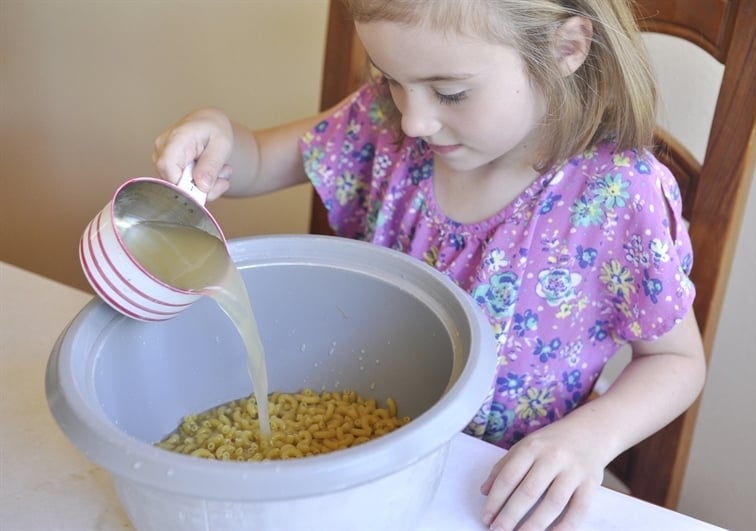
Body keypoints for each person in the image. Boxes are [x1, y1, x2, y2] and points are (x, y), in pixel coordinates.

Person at [153, 1, 706, 529]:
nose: (414, 120)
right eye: (392, 78)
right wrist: (218, 133)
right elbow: (255, 159)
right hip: (364, 464)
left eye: (452, 93)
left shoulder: (618, 196)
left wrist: (588, 440)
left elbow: (676, 361)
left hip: (493, 491)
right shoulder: (383, 121)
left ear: (565, 48)